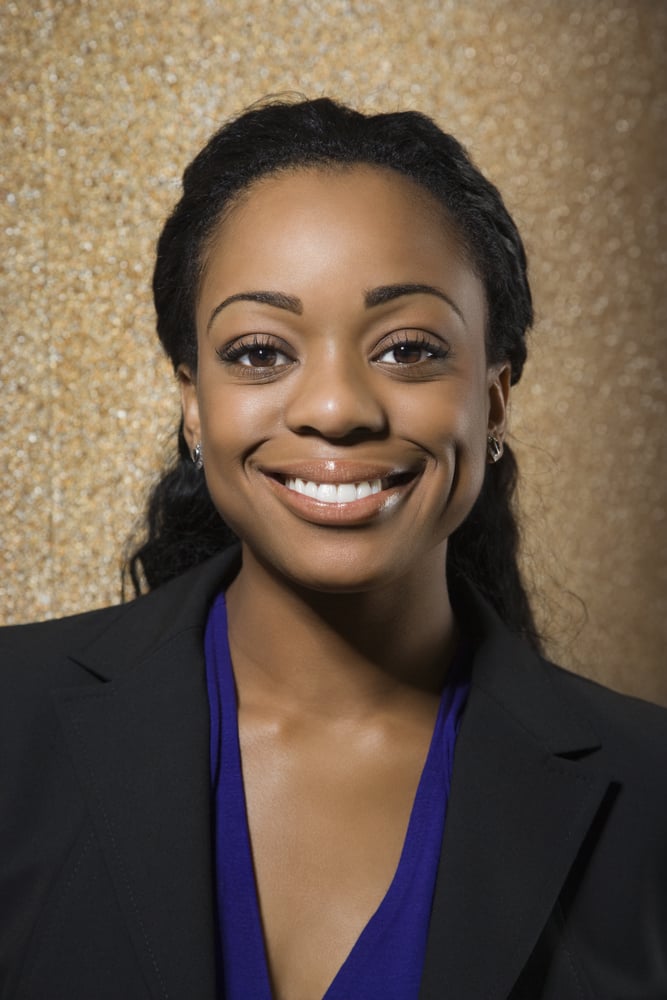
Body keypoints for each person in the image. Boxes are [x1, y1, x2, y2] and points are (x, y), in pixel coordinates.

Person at [1, 97, 665, 1000]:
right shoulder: (13, 726)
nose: (336, 407)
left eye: (406, 348)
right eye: (262, 352)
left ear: (495, 398)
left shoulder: (648, 790)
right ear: (193, 401)